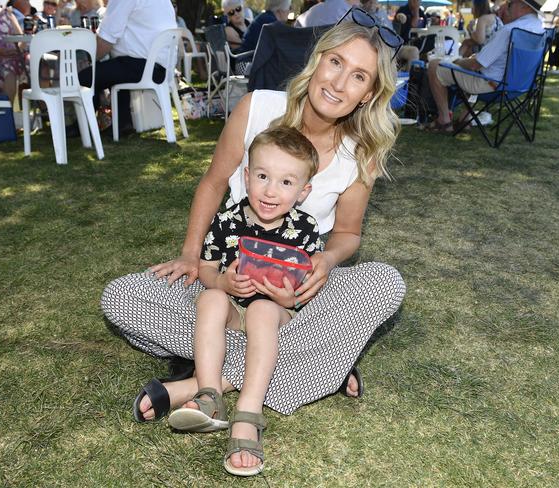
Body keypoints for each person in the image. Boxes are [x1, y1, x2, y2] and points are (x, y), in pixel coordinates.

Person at [105, 11, 406, 465]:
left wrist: (324, 262)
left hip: (295, 295)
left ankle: (205, 383)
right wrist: (193, 257)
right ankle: (318, 361)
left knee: (385, 284)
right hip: (226, 285)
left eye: (359, 76)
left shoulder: (358, 154)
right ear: (318, 61)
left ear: (369, 95)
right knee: (122, 297)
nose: (340, 82)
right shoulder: (257, 107)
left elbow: (346, 234)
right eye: (336, 63)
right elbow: (212, 183)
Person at [167, 127, 323, 477]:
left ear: (303, 191)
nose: (270, 191)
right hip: (237, 310)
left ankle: (248, 412)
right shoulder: (227, 221)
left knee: (263, 309)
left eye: (286, 182)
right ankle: (210, 395)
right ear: (247, 176)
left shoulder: (306, 229)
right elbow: (206, 267)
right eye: (263, 177)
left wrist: (290, 296)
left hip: (280, 314)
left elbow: (309, 283)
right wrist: (222, 282)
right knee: (209, 299)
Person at [425, 0, 544, 132]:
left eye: (511, 4)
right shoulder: (540, 29)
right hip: (520, 87)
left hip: (492, 86)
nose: (508, 7)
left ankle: (444, 120)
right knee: (470, 68)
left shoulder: (510, 30)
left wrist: (457, 61)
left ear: (524, 6)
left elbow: (476, 65)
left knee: (435, 65)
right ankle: (465, 118)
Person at [78, 0, 176, 133]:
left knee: (84, 77)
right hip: (161, 66)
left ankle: (83, 127)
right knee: (115, 68)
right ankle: (123, 122)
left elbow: (106, 41)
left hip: (140, 66)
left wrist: (90, 60)